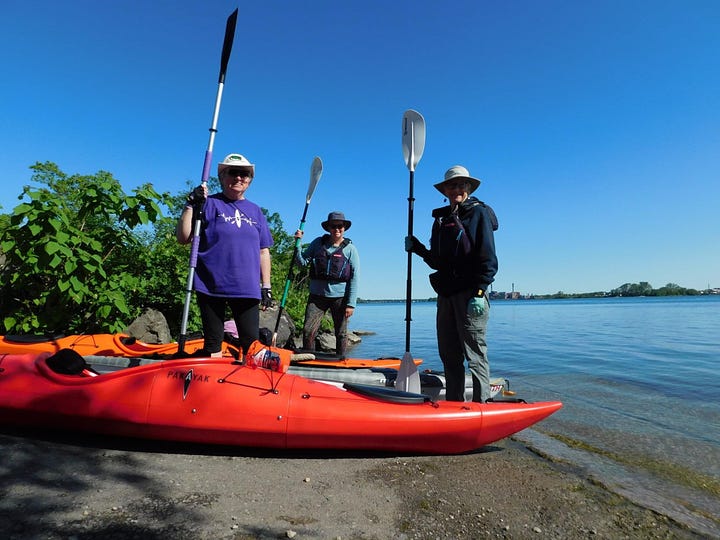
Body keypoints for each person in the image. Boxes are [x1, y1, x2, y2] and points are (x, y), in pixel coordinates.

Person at [405, 165, 498, 402]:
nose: (456, 189)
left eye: (460, 185)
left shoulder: (478, 214)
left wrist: (480, 291)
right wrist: (418, 249)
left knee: (475, 355)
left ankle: (482, 406)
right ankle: (455, 405)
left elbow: (488, 257)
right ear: (445, 190)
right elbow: (438, 262)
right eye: (451, 185)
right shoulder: (441, 220)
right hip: (446, 295)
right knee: (449, 355)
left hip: (471, 295)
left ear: (468, 188)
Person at [176, 153, 274, 356]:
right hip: (211, 284)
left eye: (244, 174)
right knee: (213, 344)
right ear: (222, 177)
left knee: (251, 346)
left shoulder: (256, 211)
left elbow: (263, 251)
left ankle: (249, 383)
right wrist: (190, 205)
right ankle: (210, 381)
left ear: (249, 180)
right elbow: (183, 237)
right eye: (233, 173)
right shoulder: (208, 204)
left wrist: (266, 286)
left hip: (246, 287)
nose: (239, 178)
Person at [294, 211, 360, 357]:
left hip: (340, 297)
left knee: (341, 333)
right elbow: (302, 263)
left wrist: (351, 304)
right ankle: (308, 357)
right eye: (333, 226)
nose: (337, 229)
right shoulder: (318, 243)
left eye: (340, 226)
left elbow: (355, 277)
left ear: (344, 228)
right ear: (328, 228)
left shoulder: (350, 249)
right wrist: (297, 244)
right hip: (317, 296)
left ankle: (341, 359)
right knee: (308, 330)